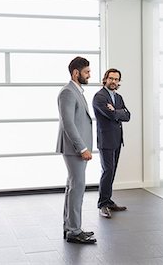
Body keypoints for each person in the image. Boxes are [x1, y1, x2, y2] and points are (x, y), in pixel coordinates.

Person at [56, 56, 96, 244]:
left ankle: (70, 227)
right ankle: (74, 230)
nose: (89, 75)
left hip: (76, 149)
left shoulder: (76, 91)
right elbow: (68, 124)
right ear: (76, 73)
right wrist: (82, 148)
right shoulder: (68, 92)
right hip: (75, 149)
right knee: (77, 187)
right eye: (87, 72)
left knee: (73, 187)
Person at [93, 68, 131, 218]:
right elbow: (109, 114)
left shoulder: (118, 97)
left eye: (116, 79)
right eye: (111, 78)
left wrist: (116, 111)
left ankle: (108, 201)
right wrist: (117, 112)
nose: (113, 81)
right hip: (106, 140)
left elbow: (128, 115)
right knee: (107, 171)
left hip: (117, 139)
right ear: (105, 79)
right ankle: (102, 204)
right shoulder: (99, 97)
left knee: (112, 171)